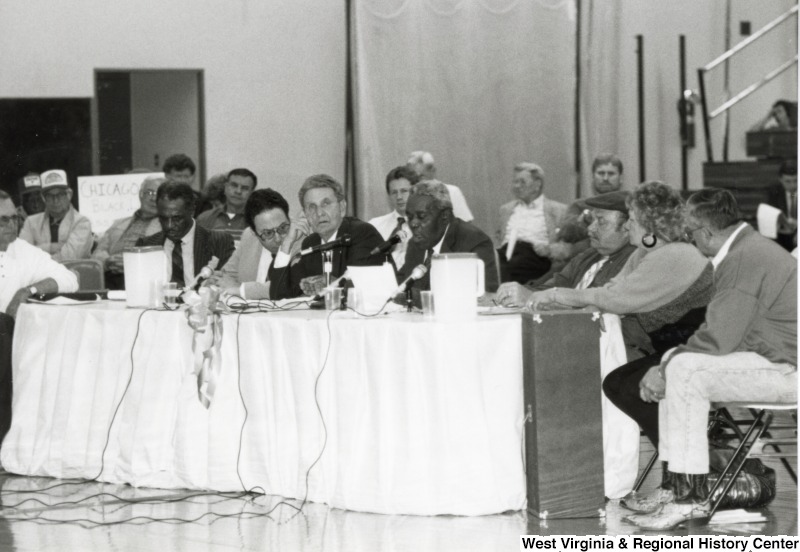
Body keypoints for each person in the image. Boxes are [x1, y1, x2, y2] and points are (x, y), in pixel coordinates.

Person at [623, 188, 796, 530]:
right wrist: (668, 362)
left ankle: (690, 499)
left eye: (689, 234)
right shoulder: (748, 249)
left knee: (683, 368)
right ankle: (676, 488)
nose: (690, 242)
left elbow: (719, 338)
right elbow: (724, 333)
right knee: (678, 362)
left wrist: (665, 367)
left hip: (788, 369)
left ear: (706, 232)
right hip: (772, 358)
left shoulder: (744, 259)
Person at [0, 191, 78, 445]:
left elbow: (70, 280)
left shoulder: (21, 250)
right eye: (3, 220)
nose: (12, 226)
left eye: (15, 218)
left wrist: (28, 290)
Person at [493, 191, 636, 308]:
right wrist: (517, 292)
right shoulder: (588, 256)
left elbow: (599, 309)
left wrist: (532, 298)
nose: (590, 228)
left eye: (601, 221)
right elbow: (549, 287)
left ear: (627, 227)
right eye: (592, 220)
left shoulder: (635, 262)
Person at [268, 174, 385, 299]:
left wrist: (329, 281)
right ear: (305, 214)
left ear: (342, 207)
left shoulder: (361, 233)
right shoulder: (310, 243)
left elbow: (368, 289)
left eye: (326, 204)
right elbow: (279, 297)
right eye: (312, 207)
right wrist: (287, 244)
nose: (319, 213)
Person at [399, 180, 498, 293]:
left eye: (422, 216)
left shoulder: (474, 242)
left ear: (445, 215)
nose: (413, 223)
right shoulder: (415, 245)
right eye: (410, 217)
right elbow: (399, 286)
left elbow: (484, 297)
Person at [211, 188, 309, 299]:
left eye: (283, 228)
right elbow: (225, 276)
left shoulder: (302, 237)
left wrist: (240, 289)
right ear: (254, 233)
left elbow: (288, 287)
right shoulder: (248, 236)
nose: (278, 239)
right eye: (268, 233)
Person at [136, 181, 235, 287]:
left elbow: (228, 286)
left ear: (192, 210)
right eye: (163, 218)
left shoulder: (219, 242)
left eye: (176, 218)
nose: (169, 226)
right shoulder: (146, 246)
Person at [548, 153, 625, 268]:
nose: (605, 178)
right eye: (601, 173)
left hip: (619, 262)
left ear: (621, 178)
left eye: (611, 174)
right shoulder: (579, 205)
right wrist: (585, 218)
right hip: (579, 265)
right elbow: (565, 234)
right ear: (593, 177)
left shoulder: (629, 204)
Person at [495, 163, 567, 283]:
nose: (517, 186)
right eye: (515, 182)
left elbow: (568, 247)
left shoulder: (559, 210)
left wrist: (549, 250)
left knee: (515, 264)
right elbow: (498, 238)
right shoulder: (505, 210)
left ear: (537, 185)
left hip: (536, 257)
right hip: (506, 253)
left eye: (522, 182)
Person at [92, 175, 165, 289]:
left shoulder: (168, 228)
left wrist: (132, 263)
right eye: (149, 193)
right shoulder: (119, 223)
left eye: (159, 195)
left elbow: (166, 261)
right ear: (141, 194)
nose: (153, 198)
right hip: (110, 276)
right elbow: (98, 252)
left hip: (143, 281)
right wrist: (107, 261)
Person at [19, 169, 93, 261]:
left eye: (60, 194)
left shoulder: (82, 223)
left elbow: (68, 258)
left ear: (69, 194)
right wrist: (50, 247)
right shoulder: (31, 222)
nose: (55, 200)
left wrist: (38, 250)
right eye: (50, 195)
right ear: (43, 198)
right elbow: (21, 254)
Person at [368, 166, 417, 268]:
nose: (399, 197)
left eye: (404, 191)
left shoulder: (424, 227)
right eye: (394, 192)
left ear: (415, 192)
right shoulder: (374, 225)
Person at [406, 151, 474, 222]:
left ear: (433, 171)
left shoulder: (452, 192)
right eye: (414, 178)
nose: (418, 182)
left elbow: (465, 224)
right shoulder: (407, 195)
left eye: (421, 177)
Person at [196, 168, 256, 240]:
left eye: (245, 188)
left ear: (251, 193)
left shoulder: (257, 220)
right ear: (226, 188)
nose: (238, 191)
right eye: (234, 185)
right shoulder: (204, 219)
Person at [766, 159, 797, 251]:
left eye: (796, 180)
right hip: (782, 237)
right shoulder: (774, 192)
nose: (793, 185)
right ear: (780, 179)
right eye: (788, 181)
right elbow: (770, 218)